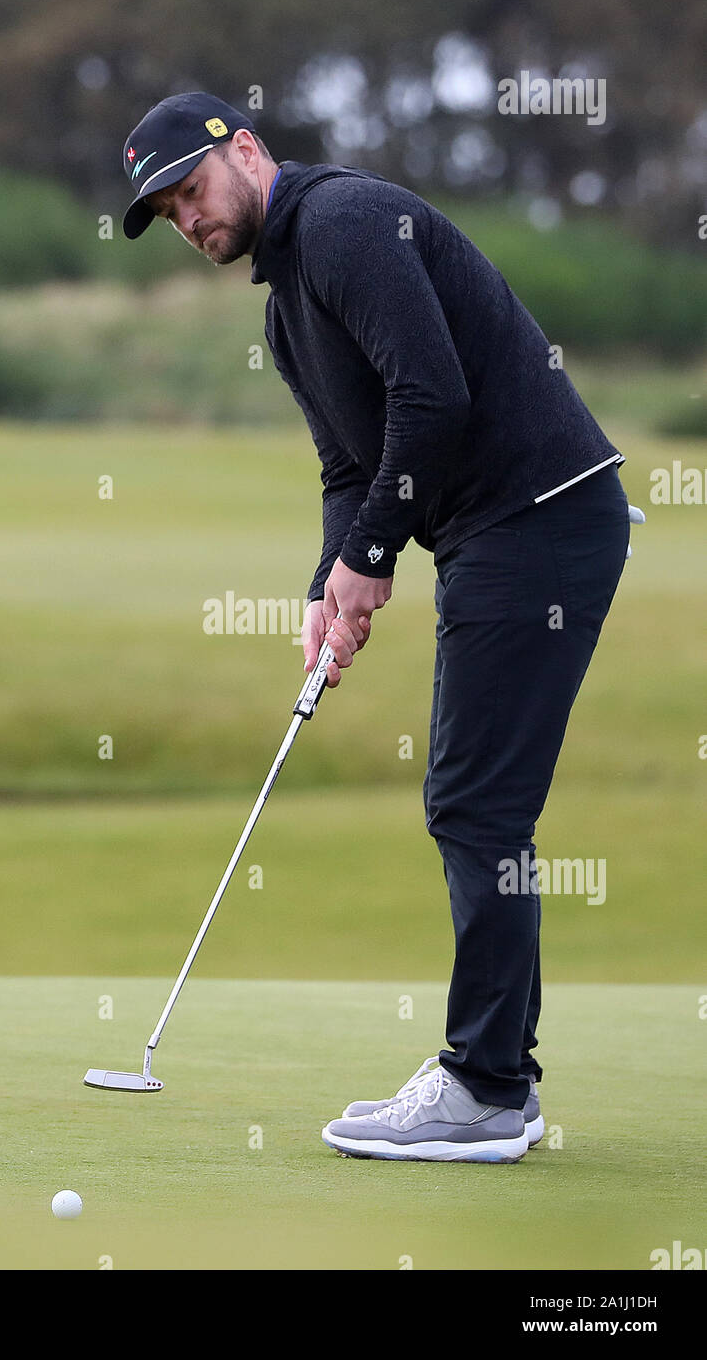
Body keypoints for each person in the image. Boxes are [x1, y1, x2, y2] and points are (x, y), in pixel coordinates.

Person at [121, 91, 639, 1163]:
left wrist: (372, 556)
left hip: (537, 519)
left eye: (192, 188)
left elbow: (432, 396)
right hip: (498, 530)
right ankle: (503, 1084)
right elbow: (350, 466)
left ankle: (486, 1089)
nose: (188, 218)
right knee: (479, 809)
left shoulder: (347, 224)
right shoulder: (284, 304)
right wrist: (329, 578)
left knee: (473, 804)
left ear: (248, 150)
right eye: (168, 211)